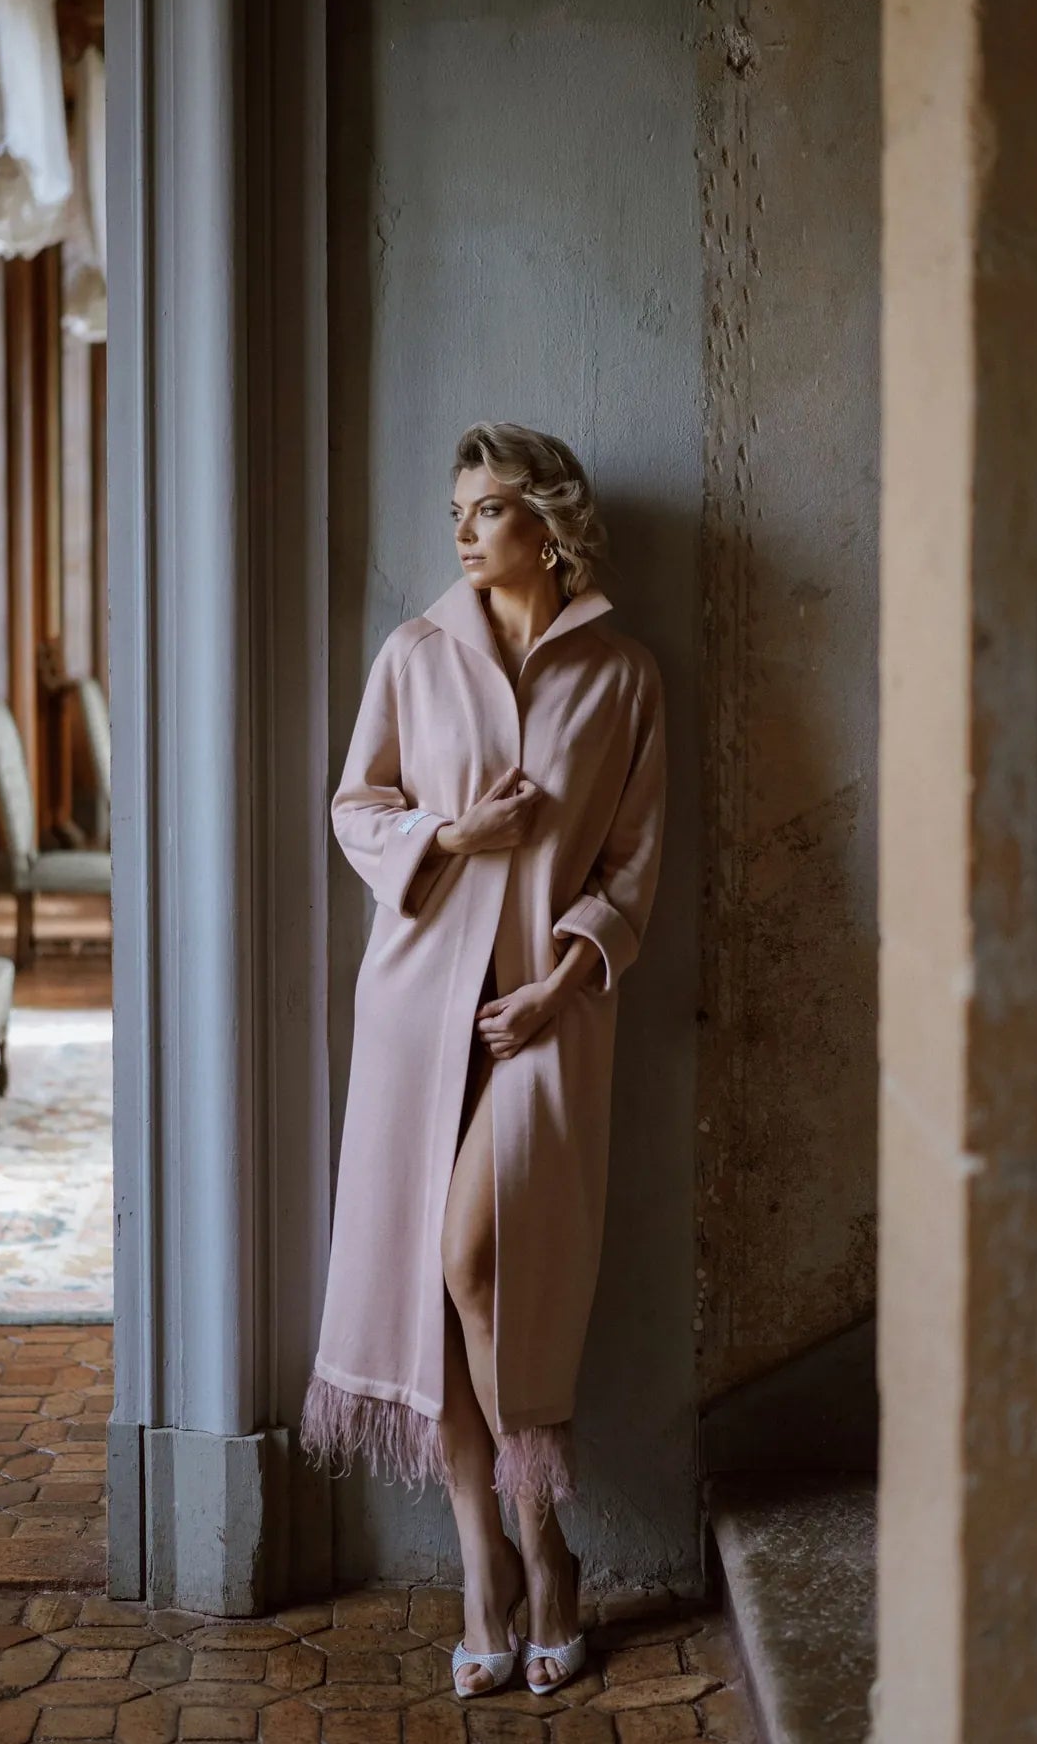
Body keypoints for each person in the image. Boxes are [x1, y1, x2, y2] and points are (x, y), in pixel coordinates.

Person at [300, 421, 668, 1697]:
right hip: (415, 1013)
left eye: (487, 507)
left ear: (550, 525)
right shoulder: (414, 656)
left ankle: (546, 1545)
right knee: (426, 1292)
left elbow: (632, 866)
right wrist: (458, 833)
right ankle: (491, 1564)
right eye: (456, 508)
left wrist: (559, 990)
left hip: (545, 1022)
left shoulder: (623, 678)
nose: (461, 529)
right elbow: (359, 808)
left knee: (476, 1262)